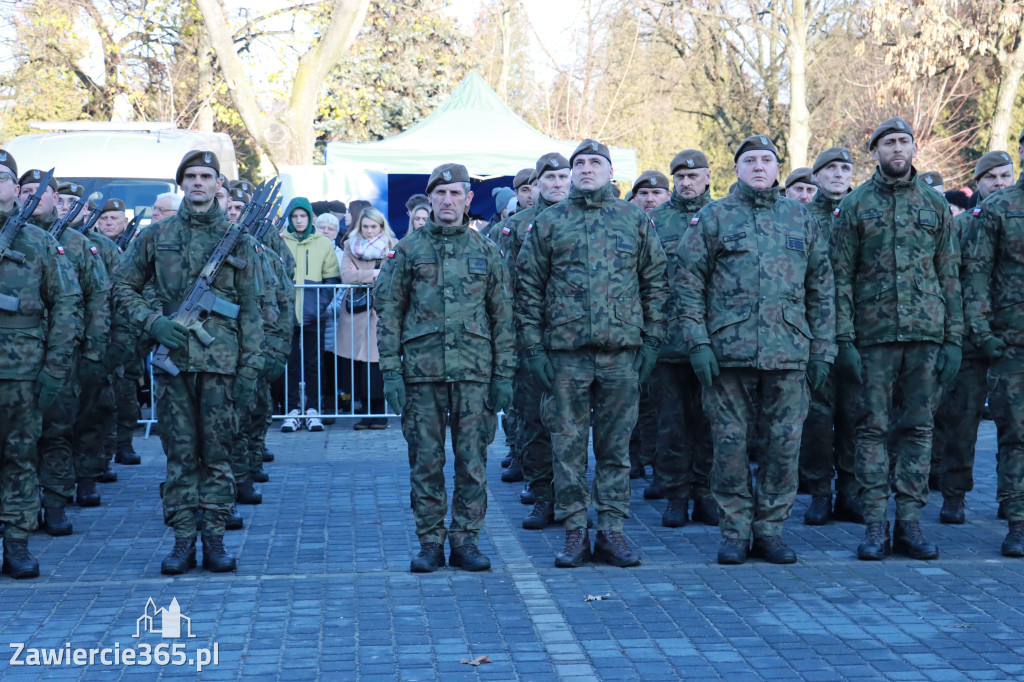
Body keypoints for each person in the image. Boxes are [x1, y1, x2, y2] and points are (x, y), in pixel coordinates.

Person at [675, 135, 835, 565]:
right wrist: (698, 343)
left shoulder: (801, 219)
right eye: (750, 161)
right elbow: (688, 284)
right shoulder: (714, 217)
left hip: (789, 353)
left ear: (778, 168)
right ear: (737, 169)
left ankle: (770, 530)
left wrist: (823, 350)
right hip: (729, 354)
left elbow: (821, 289)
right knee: (729, 445)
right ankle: (734, 531)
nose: (759, 167)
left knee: (784, 446)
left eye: (767, 160)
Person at [517, 139, 668, 568]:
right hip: (566, 356)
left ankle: (612, 532)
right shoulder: (550, 222)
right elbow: (527, 288)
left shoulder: (633, 218)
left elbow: (655, 282)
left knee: (616, 448)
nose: (586, 169)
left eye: (595, 163)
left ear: (609, 172)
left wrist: (652, 342)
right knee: (566, 446)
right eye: (579, 163)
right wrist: (533, 349)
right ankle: (573, 532)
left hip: (622, 355)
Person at [113, 150, 265, 574]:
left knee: (217, 455)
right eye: (191, 176)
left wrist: (251, 368)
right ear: (181, 183)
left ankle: (214, 538)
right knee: (180, 455)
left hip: (222, 366)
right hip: (172, 364)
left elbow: (255, 309)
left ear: (220, 184)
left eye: (207, 176)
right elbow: (122, 287)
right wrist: (153, 323)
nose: (199, 183)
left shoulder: (240, 241)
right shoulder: (155, 236)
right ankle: (183, 539)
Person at [831, 117, 963, 561]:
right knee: (871, 430)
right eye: (889, 143)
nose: (897, 148)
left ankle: (910, 524)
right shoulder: (855, 206)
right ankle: (874, 524)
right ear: (875, 152)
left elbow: (949, 275)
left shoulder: (935, 204)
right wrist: (844, 340)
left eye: (904, 141)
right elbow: (840, 278)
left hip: (926, 336)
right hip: (873, 337)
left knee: (919, 430)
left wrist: (954, 339)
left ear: (913, 147)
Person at [375, 163, 514, 573]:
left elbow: (503, 318)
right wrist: (390, 372)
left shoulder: (486, 250)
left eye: (456, 194)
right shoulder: (409, 250)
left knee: (472, 462)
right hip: (422, 375)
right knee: (426, 462)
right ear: (430, 199)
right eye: (440, 194)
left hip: (474, 375)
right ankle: (431, 541)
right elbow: (389, 314)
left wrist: (504, 375)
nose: (448, 201)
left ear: (469, 200)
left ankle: (466, 540)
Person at [0, 150, 83, 578]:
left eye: (2, 178)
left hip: (22, 372)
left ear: (16, 189)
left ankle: (16, 544)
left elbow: (67, 305)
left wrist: (55, 367)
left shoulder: (41, 243)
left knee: (19, 457)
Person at [21, 170, 112, 527]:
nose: (33, 197)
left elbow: (98, 299)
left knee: (57, 429)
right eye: (26, 190)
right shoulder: (9, 237)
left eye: (40, 192)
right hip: (16, 353)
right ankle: (20, 508)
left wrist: (93, 350)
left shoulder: (75, 243)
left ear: (55, 200)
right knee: (16, 437)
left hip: (63, 352)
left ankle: (56, 502)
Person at [937, 152, 1011, 529]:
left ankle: (1010, 498)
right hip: (968, 337)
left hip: (1011, 335)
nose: (999, 183)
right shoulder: (963, 225)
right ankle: (954, 496)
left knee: (1013, 423)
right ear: (977, 182)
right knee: (961, 421)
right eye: (991, 177)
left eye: (1005, 176)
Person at [647, 149, 718, 529]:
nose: (687, 182)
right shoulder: (653, 222)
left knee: (710, 422)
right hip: (669, 342)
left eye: (694, 176)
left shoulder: (721, 216)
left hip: (713, 340)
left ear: (708, 177)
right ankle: (676, 496)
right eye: (680, 177)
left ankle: (705, 493)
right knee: (672, 424)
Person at [499, 152, 570, 527]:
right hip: (531, 341)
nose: (557, 184)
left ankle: (572, 497)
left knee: (571, 426)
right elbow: (506, 288)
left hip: (574, 342)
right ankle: (543, 494)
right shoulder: (518, 227)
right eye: (549, 178)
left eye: (563, 177)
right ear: (536, 184)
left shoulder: (584, 220)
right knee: (534, 422)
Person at [963, 135, 1024, 557]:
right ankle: (1018, 522)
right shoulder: (1000, 208)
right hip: (1013, 341)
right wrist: (983, 332)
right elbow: (977, 274)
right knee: (1016, 435)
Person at [800, 146, 861, 526]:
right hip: (812, 333)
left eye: (845, 168)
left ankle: (851, 491)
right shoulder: (800, 217)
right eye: (830, 169)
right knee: (818, 419)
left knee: (856, 415)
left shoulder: (861, 211)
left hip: (859, 332)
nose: (838, 174)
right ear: (817, 176)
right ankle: (820, 493)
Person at [279, 197, 341, 432]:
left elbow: (332, 279)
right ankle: (293, 409)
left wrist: (319, 306)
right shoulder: (280, 241)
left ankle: (314, 408)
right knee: (290, 363)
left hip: (315, 314)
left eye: (303, 216)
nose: (299, 220)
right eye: (295, 216)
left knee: (315, 363)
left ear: (310, 217)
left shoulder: (323, 244)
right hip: (287, 314)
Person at [627, 169, 672, 486]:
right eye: (644, 194)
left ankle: (659, 466)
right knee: (632, 401)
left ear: (667, 196)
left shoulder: (679, 224)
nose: (650, 198)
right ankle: (634, 459)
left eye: (656, 193)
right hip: (630, 329)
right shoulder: (626, 225)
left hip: (669, 330)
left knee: (662, 406)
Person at [333, 207, 397, 430]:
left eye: (374, 226)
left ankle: (379, 414)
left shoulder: (393, 246)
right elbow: (347, 276)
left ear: (381, 227)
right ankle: (366, 413)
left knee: (378, 364)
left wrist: (366, 277)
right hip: (356, 311)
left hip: (381, 311)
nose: (369, 231)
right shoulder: (350, 245)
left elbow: (394, 276)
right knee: (358, 365)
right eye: (365, 226)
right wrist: (373, 275)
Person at [315, 212, 345, 420]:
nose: (326, 231)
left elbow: (343, 287)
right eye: (322, 227)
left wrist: (330, 307)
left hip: (333, 318)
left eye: (331, 228)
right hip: (310, 316)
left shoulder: (341, 255)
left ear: (336, 233)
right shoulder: (309, 250)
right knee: (313, 362)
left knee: (331, 363)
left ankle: (331, 404)